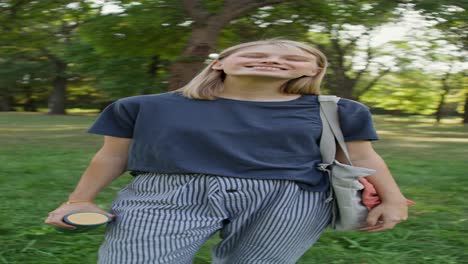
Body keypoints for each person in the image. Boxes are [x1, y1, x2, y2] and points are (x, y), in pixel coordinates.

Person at [45, 38, 410, 264]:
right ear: (219, 63)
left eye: (294, 58)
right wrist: (78, 200)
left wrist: (393, 199)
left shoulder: (340, 110)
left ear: (315, 69)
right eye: (256, 53)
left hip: (290, 200)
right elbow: (112, 155)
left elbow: (362, 159)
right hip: (167, 196)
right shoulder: (144, 106)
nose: (273, 59)